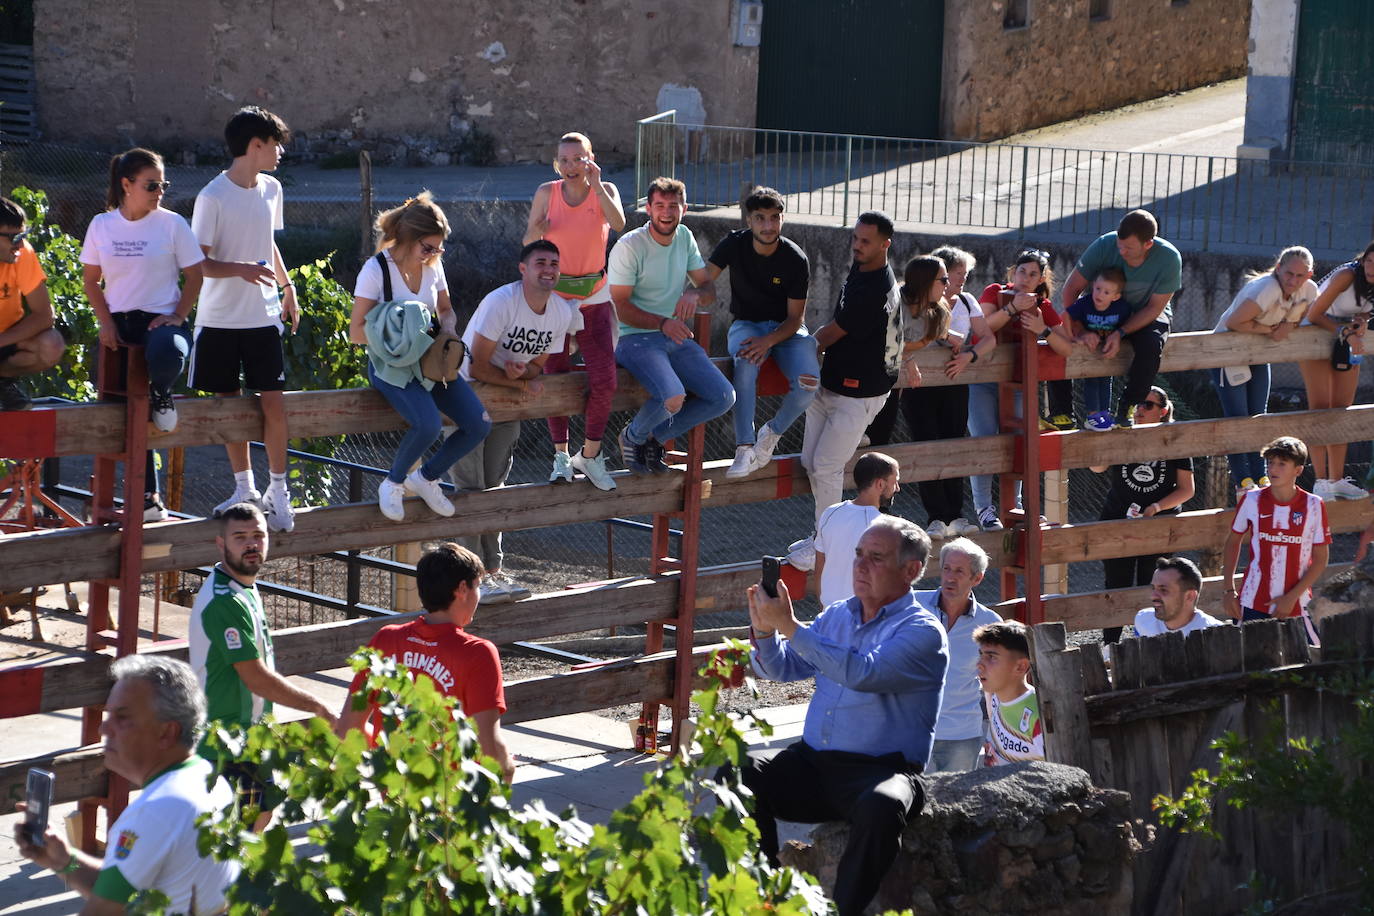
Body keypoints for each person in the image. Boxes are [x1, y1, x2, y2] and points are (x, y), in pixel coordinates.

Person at [740, 516, 947, 916]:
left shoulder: (923, 631)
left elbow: (863, 673)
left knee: (884, 807)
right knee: (737, 768)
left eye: (875, 557)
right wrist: (766, 632)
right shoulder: (838, 614)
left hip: (881, 771)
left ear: (911, 570)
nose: (860, 565)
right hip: (813, 765)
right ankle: (762, 894)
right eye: (857, 555)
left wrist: (791, 626)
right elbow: (785, 669)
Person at [13, 655, 240, 915]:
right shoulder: (208, 778)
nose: (103, 729)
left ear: (167, 732)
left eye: (122, 717)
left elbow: (103, 910)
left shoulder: (157, 809)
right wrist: (64, 860)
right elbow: (122, 895)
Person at [190, 502, 336, 824]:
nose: (251, 544)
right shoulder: (226, 601)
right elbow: (255, 678)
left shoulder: (243, 587)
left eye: (258, 535)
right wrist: (318, 707)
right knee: (237, 831)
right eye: (240, 537)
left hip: (250, 736)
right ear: (220, 544)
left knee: (261, 815)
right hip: (224, 741)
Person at [190, 106, 300, 532]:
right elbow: (198, 264)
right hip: (217, 320)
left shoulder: (272, 189)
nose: (280, 153)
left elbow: (267, 243)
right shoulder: (211, 196)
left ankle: (278, 492)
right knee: (230, 408)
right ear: (255, 145)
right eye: (275, 144)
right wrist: (240, 268)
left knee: (274, 405)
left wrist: (287, 288)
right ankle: (244, 488)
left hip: (263, 317)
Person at [454, 240, 582, 604]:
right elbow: (475, 367)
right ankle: (471, 580)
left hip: (507, 402)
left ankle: (494, 572)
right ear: (522, 269)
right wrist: (520, 380)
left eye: (555, 263)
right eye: (540, 262)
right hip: (465, 399)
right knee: (470, 489)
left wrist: (522, 372)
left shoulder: (561, 312)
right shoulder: (501, 302)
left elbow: (539, 365)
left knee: (495, 487)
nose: (549, 269)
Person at [81, 148, 204, 523]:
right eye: (152, 185)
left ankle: (162, 394)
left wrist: (177, 314)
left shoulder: (172, 224)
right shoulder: (102, 225)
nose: (160, 191)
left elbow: (195, 275)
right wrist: (106, 323)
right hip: (120, 323)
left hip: (161, 321)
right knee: (118, 408)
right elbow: (91, 281)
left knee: (169, 355)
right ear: (126, 184)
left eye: (163, 184)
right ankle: (147, 498)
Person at [351, 192, 490, 522]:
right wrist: (398, 326)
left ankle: (426, 478)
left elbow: (445, 309)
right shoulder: (376, 270)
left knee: (479, 424)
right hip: (391, 366)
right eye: (428, 247)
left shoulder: (433, 266)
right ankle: (392, 482)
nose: (434, 254)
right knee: (427, 425)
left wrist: (449, 331)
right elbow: (356, 332)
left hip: (431, 363)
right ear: (406, 238)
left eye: (439, 247)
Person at [337, 542, 515, 783]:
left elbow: (347, 730)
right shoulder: (478, 653)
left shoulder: (385, 639)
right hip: (450, 799)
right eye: (478, 586)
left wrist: (388, 755)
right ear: (462, 589)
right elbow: (490, 750)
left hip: (396, 798)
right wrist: (508, 768)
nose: (478, 595)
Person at [608, 177, 734, 474]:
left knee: (723, 396)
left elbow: (707, 286)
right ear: (648, 209)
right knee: (673, 395)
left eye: (673, 206)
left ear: (684, 209)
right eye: (660, 205)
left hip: (671, 336)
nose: (667, 212)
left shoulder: (685, 237)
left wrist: (694, 293)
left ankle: (654, 438)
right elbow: (619, 307)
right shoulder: (630, 246)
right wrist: (663, 322)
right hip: (631, 338)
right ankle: (632, 436)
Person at [526, 132, 625, 491]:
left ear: (590, 159)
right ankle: (560, 457)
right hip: (553, 298)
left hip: (594, 297)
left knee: (606, 380)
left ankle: (591, 453)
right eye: (564, 160)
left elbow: (618, 224)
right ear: (557, 163)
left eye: (577, 159)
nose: (570, 166)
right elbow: (527, 243)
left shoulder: (605, 190)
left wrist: (598, 186)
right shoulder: (545, 193)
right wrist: (538, 230)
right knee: (555, 376)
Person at [801, 211, 907, 524]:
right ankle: (825, 534)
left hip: (857, 392)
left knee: (825, 467)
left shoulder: (874, 287)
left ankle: (826, 539)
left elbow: (831, 333)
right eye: (855, 238)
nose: (856, 246)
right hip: (833, 383)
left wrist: (799, 351)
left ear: (885, 244)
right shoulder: (865, 268)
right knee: (809, 461)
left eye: (865, 241)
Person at [706, 186, 818, 479]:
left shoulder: (795, 258)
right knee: (745, 364)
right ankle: (744, 447)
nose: (768, 225)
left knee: (809, 383)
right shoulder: (733, 244)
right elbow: (703, 279)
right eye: (760, 218)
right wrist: (692, 294)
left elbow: (795, 319)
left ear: (782, 219)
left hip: (787, 330)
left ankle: (771, 433)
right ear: (748, 220)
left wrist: (768, 341)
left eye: (774, 217)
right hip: (746, 324)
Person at [862, 255, 978, 539]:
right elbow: (887, 338)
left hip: (905, 383)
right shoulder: (894, 303)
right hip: (870, 382)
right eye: (944, 279)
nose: (950, 284)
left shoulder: (938, 309)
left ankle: (945, 515)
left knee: (940, 444)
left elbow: (935, 332)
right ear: (926, 282)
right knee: (876, 446)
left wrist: (953, 339)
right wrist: (910, 360)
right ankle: (868, 515)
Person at [969, 248, 1073, 531]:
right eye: (1022, 272)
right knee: (985, 440)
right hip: (983, 381)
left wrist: (1044, 329)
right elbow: (981, 329)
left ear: (1041, 279)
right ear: (1012, 273)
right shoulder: (995, 292)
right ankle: (984, 509)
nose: (1026, 278)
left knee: (1019, 442)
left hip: (1018, 385)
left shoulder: (1044, 306)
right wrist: (1012, 309)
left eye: (1033, 274)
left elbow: (1066, 348)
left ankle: (1016, 507)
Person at [1059, 209, 1183, 430]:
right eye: (1120, 244)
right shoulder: (1104, 245)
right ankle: (1067, 413)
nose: (1122, 251)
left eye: (1129, 248)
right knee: (1061, 340)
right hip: (1105, 310)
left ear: (1148, 244)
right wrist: (1080, 330)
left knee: (1151, 345)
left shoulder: (1169, 258)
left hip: (1146, 312)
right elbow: (1071, 290)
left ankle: (1128, 405)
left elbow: (1155, 308)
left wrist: (1120, 332)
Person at [1209, 247, 1318, 496]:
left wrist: (1288, 325)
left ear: (1309, 275)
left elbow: (1305, 317)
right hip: (1229, 352)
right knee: (1238, 417)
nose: (1293, 281)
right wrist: (1270, 331)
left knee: (1259, 416)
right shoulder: (1267, 288)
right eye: (1288, 273)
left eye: (1300, 276)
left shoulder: (1309, 291)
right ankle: (1243, 480)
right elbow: (1235, 322)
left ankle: (1261, 475)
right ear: (1278, 267)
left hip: (1258, 353)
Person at [1089, 386, 1195, 643]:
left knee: (1155, 588)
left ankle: (1149, 643)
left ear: (1164, 411)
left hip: (1158, 527)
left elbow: (1186, 490)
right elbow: (1096, 467)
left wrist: (1158, 507)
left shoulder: (1174, 439)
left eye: (1148, 405)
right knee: (1116, 587)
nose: (1139, 410)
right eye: (1136, 404)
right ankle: (1110, 647)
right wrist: (1105, 438)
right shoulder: (1121, 433)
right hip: (1117, 522)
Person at [1221, 436, 1330, 645]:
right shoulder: (1251, 499)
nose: (1274, 468)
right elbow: (1233, 541)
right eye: (1270, 462)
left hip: (1297, 604)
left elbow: (1320, 559)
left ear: (1298, 470)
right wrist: (1228, 590)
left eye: (1282, 463)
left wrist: (1291, 597)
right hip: (1252, 601)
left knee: (1309, 664)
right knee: (1250, 666)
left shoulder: (1314, 505)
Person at [917, 537, 1002, 773]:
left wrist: (996, 737)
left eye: (959, 571)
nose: (950, 577)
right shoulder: (911, 606)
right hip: (913, 731)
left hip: (963, 735)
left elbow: (998, 686)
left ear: (977, 578)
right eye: (946, 569)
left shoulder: (990, 624)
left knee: (958, 807)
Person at [1300, 241, 1374, 501]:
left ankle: (1337, 479)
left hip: (1344, 339)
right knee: (1321, 409)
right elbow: (1315, 312)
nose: (1371, 268)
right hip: (1314, 334)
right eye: (1369, 261)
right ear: (1362, 259)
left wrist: (1362, 320)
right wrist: (1344, 332)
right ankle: (1321, 482)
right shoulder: (1347, 275)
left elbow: (1363, 311)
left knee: (1342, 411)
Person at [0, 196, 65, 411]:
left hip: (6, 337)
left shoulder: (21, 253)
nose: (20, 243)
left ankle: (3, 380)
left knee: (51, 345)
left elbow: (44, 316)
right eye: (14, 237)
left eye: (23, 235)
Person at [812, 452, 900, 607]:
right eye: (895, 482)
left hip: (829, 613)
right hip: (863, 618)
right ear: (880, 484)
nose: (898, 488)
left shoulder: (830, 513)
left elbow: (819, 568)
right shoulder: (885, 528)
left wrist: (824, 611)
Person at [1068, 266, 1131, 431]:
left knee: (1106, 379)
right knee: (1092, 379)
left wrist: (1120, 337)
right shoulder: (1085, 304)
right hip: (1089, 351)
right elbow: (1065, 316)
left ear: (1116, 296)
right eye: (1097, 289)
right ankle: (1092, 415)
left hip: (1107, 350)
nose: (1100, 294)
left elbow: (1129, 324)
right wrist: (1076, 337)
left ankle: (1105, 413)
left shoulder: (1122, 308)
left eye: (1106, 292)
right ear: (1093, 286)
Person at [975, 620, 1043, 766]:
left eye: (991, 657)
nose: (979, 664)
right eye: (981, 654)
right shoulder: (994, 695)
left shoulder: (1039, 716)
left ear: (1020, 666)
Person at [1132, 556, 1225, 637]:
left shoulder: (1215, 635)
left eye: (1163, 590)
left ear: (1190, 596)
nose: (1153, 596)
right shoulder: (1143, 621)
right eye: (1153, 588)